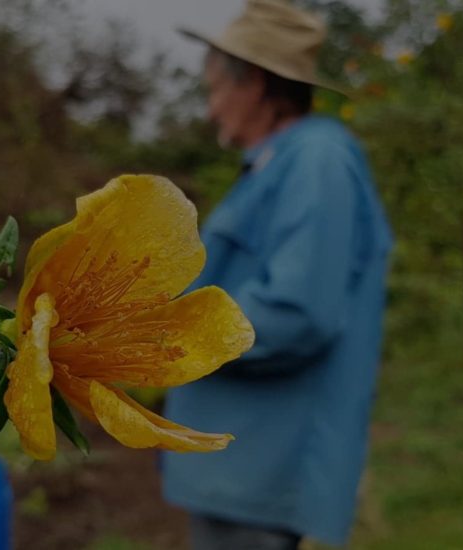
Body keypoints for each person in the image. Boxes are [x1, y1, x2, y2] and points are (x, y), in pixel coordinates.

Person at [162, 1, 394, 548]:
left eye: (216, 89)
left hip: (261, 467)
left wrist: (161, 340)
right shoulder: (277, 164)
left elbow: (296, 312)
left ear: (260, 85)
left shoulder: (316, 159)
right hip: (240, 467)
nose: (212, 110)